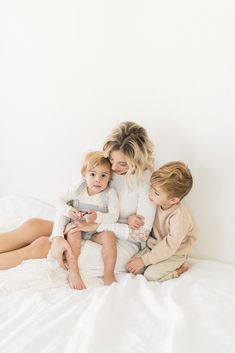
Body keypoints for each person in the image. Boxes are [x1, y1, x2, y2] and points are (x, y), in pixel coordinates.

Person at [0, 122, 156, 282]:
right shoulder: (103, 168)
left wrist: (96, 225)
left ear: (137, 160)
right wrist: (57, 236)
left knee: (41, 245)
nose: (113, 167)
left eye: (122, 164)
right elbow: (74, 200)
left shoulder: (146, 184)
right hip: (86, 224)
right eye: (111, 158)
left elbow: (141, 235)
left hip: (117, 242)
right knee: (33, 226)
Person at [51, 151, 119, 289]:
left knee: (109, 237)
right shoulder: (79, 189)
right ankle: (73, 270)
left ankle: (109, 273)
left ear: (110, 177)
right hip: (77, 227)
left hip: (94, 231)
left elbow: (114, 216)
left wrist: (97, 217)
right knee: (73, 232)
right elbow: (58, 200)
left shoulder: (110, 194)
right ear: (84, 174)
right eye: (93, 174)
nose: (98, 180)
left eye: (103, 175)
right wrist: (68, 210)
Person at [127, 161, 197, 282]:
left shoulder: (179, 217)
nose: (150, 194)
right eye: (151, 188)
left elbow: (170, 245)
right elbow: (141, 217)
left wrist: (145, 260)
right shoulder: (155, 202)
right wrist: (131, 218)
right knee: (132, 267)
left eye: (156, 193)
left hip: (174, 253)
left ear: (173, 200)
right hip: (154, 248)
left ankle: (180, 269)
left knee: (151, 275)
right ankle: (153, 261)